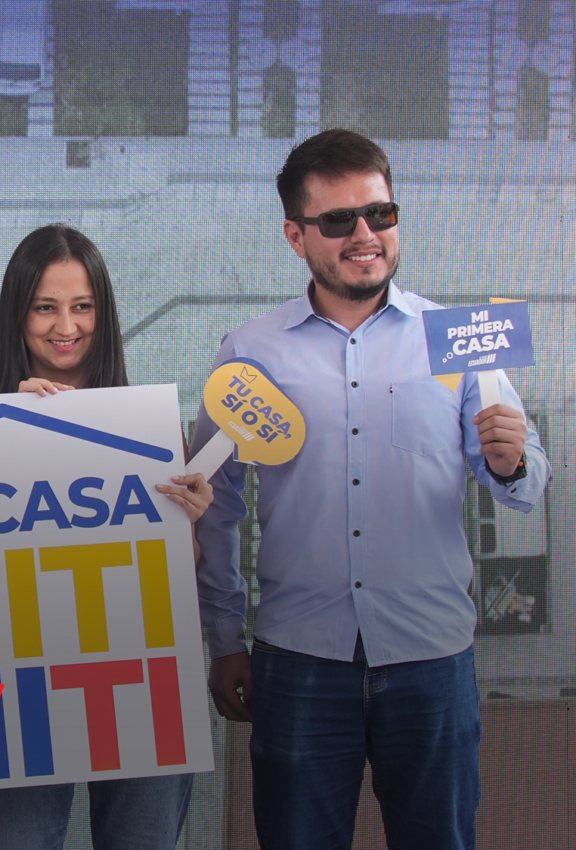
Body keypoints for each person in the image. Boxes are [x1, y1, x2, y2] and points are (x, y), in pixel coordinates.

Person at [193, 128, 549, 849]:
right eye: (338, 220)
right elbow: (216, 508)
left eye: (380, 214)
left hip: (431, 659)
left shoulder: (456, 338)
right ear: (296, 236)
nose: (365, 235)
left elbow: (525, 483)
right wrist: (224, 640)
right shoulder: (250, 351)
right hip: (297, 661)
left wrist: (513, 463)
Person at [0, 224, 210, 850]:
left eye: (82, 306)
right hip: (16, 698)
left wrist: (188, 521)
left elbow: (181, 572)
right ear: (17, 315)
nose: (65, 326)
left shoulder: (149, 428)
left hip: (139, 686)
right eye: (44, 307)